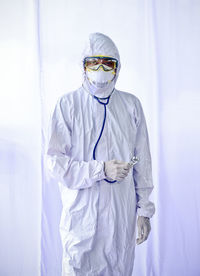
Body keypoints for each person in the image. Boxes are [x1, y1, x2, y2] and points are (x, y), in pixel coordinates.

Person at [47, 32, 155, 276]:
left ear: (117, 68)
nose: (100, 69)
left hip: (120, 216)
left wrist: (144, 211)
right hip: (81, 216)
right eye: (93, 63)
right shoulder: (68, 105)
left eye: (108, 63)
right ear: (83, 67)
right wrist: (100, 170)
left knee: (118, 268)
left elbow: (143, 161)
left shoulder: (131, 105)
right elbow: (55, 163)